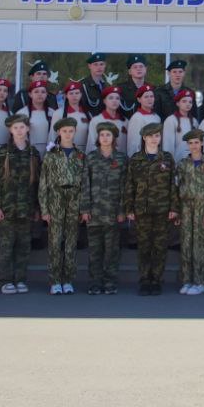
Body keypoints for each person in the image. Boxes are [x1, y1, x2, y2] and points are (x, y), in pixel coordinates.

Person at [125, 121, 177, 295]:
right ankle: (144, 280)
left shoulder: (167, 158)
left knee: (160, 246)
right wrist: (129, 208)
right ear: (144, 138)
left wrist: (174, 207)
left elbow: (173, 184)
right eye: (150, 136)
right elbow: (130, 185)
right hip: (142, 209)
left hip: (162, 209)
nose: (154, 139)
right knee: (144, 246)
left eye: (157, 135)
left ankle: (156, 280)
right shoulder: (136, 159)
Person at [0, 113, 39, 294]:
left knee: (23, 246)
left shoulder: (33, 153)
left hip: (26, 207)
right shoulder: (3, 152)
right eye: (15, 128)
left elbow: (37, 183)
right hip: (7, 206)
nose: (19, 131)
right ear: (10, 130)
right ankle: (5, 280)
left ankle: (20, 279)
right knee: (6, 246)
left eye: (22, 127)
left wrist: (36, 207)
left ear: (27, 129)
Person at [78, 120, 128, 295]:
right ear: (98, 138)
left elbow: (125, 186)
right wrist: (85, 209)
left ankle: (109, 282)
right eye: (102, 135)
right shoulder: (91, 158)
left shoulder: (121, 159)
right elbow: (85, 183)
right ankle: (95, 282)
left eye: (108, 135)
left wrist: (122, 210)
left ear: (114, 138)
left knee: (112, 250)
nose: (105, 138)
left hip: (113, 212)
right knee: (95, 250)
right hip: (94, 212)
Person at [41, 118, 87, 295]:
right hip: (56, 199)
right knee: (54, 242)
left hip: (74, 199)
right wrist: (44, 209)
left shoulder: (80, 154)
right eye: (64, 131)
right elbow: (43, 183)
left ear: (75, 132)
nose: (68, 134)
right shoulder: (51, 154)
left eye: (71, 131)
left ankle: (68, 279)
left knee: (71, 242)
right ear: (59, 132)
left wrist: (84, 208)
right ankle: (54, 281)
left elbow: (85, 183)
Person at [174, 129, 204, 295]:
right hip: (186, 207)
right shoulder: (183, 164)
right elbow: (176, 187)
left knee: (200, 244)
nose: (194, 146)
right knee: (186, 243)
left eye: (196, 142)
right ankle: (186, 280)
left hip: (202, 207)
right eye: (191, 143)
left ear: (202, 143)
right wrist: (177, 210)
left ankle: (199, 281)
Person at [162, 88, 198, 161]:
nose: (188, 104)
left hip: (192, 162)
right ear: (178, 103)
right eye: (184, 101)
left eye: (190, 102)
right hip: (177, 161)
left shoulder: (194, 121)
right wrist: (169, 163)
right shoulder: (171, 120)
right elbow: (168, 145)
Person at [55, 81, 91, 151]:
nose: (74, 96)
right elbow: (52, 135)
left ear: (81, 94)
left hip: (84, 151)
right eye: (71, 93)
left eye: (77, 93)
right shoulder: (59, 113)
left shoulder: (87, 114)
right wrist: (51, 152)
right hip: (64, 152)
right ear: (66, 96)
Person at [23, 81, 56, 153]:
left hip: (49, 152)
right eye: (36, 92)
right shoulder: (22, 113)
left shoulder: (53, 113)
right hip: (29, 153)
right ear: (30, 94)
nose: (40, 94)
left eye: (43, 92)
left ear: (46, 94)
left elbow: (55, 135)